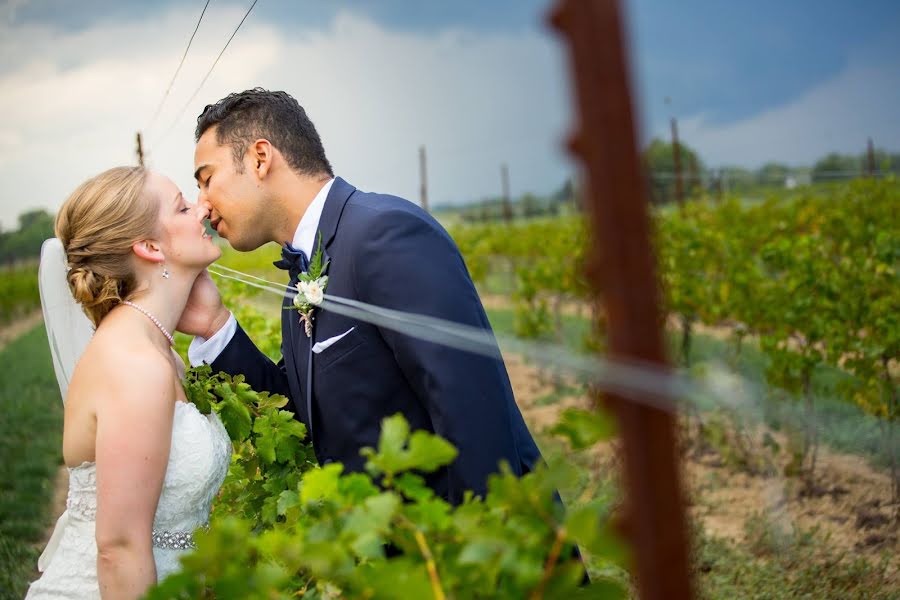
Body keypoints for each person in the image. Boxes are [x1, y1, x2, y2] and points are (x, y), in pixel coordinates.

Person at [180, 88, 542, 504]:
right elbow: (305, 416)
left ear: (260, 158)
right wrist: (214, 326)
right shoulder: (301, 274)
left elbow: (472, 413)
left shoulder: (384, 235)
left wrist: (468, 559)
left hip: (465, 546)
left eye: (207, 180)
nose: (202, 205)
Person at [26, 167, 232, 599]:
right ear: (149, 246)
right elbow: (119, 551)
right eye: (182, 205)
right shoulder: (135, 364)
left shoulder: (159, 350)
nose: (202, 209)